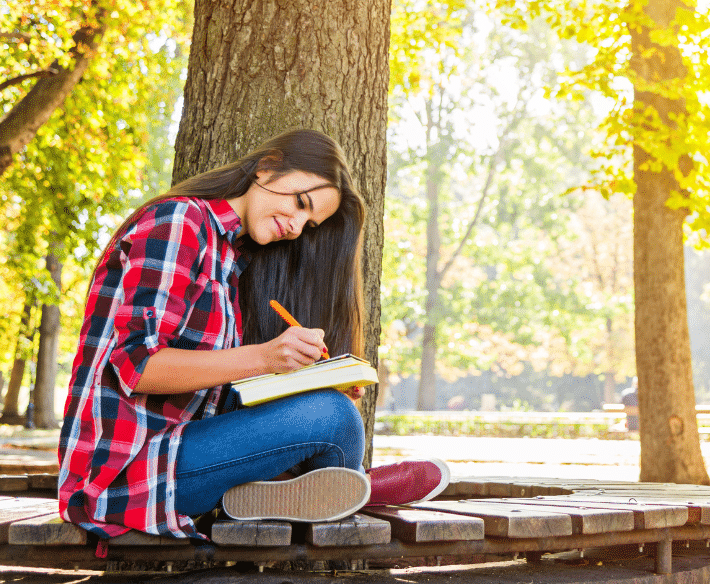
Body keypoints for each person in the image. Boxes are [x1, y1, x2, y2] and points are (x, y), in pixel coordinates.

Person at [58, 129, 449, 554]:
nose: (297, 227)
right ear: (267, 167)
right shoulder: (179, 223)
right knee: (333, 418)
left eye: (309, 223)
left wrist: (308, 382)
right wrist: (265, 358)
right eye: (300, 203)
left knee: (331, 409)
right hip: (127, 471)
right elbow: (139, 367)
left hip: (180, 453)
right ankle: (358, 489)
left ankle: (293, 492)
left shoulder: (230, 260)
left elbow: (208, 394)